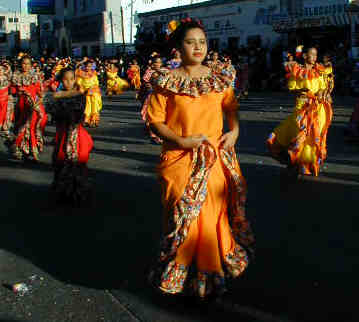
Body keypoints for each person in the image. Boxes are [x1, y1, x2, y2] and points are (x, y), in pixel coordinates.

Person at [147, 18, 254, 298]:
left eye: (202, 42)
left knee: (210, 218)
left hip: (215, 159)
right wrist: (182, 140)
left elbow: (231, 107)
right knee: (183, 219)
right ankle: (180, 273)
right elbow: (156, 120)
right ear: (178, 48)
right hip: (178, 158)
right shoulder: (166, 81)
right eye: (190, 42)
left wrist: (235, 131)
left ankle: (208, 277)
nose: (198, 47)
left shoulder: (219, 78)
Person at [267, 47, 334, 177]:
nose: (314, 57)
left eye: (316, 55)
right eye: (311, 54)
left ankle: (303, 164)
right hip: (302, 106)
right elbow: (292, 87)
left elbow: (325, 86)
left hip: (317, 107)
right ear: (304, 56)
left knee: (311, 135)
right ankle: (293, 161)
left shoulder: (319, 70)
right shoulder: (298, 70)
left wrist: (321, 93)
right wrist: (301, 91)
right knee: (298, 133)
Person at [43, 67, 93, 205]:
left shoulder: (79, 96)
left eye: (72, 79)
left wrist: (61, 96)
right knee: (61, 160)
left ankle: (78, 192)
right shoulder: (63, 95)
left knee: (77, 162)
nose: (69, 82)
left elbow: (77, 113)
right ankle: (63, 191)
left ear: (75, 79)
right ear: (61, 80)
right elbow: (49, 106)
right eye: (65, 79)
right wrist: (62, 96)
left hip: (76, 133)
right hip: (63, 133)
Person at [7, 55, 47, 161]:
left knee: (33, 126)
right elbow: (12, 90)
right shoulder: (16, 75)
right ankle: (26, 149)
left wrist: (40, 97)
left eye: (28, 64)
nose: (26, 66)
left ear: (31, 65)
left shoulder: (35, 76)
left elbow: (40, 91)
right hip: (22, 105)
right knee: (23, 126)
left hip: (34, 105)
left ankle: (34, 150)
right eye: (24, 63)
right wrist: (18, 91)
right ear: (20, 64)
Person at [76, 60, 102, 128]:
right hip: (85, 92)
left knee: (94, 105)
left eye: (90, 66)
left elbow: (96, 83)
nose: (88, 68)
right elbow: (79, 83)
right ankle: (86, 120)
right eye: (87, 66)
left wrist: (92, 88)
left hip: (94, 92)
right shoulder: (81, 73)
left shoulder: (94, 73)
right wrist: (82, 90)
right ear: (84, 66)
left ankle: (94, 120)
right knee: (87, 106)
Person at [0, 61, 14, 138]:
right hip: (1, 96)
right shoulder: (3, 77)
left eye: (2, 69)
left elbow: (11, 77)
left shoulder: (7, 76)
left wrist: (8, 68)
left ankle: (5, 128)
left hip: (7, 97)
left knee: (8, 112)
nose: (1, 71)